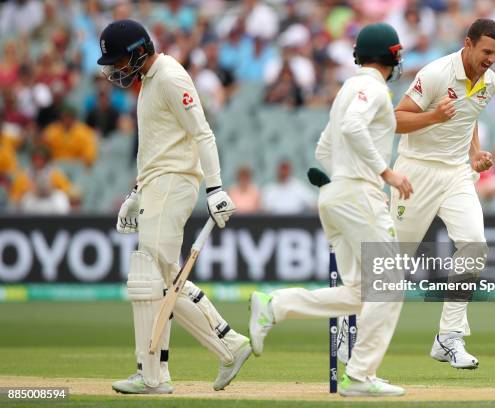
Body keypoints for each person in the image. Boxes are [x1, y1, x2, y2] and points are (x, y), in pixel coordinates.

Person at [249, 23, 413, 397]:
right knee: (388, 284)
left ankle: (275, 305)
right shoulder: (373, 88)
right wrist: (385, 171)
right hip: (359, 195)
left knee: (359, 292)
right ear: (391, 55)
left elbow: (325, 146)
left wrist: (338, 179)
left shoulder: (348, 88)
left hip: (336, 194)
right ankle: (360, 376)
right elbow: (354, 127)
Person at [96, 19, 250, 395]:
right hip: (157, 184)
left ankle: (168, 369)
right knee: (158, 279)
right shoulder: (149, 82)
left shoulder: (169, 77)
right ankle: (187, 360)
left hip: (174, 183)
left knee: (152, 278)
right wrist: (135, 192)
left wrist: (215, 188)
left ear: (138, 52)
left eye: (119, 61)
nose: (115, 69)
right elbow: (153, 148)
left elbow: (203, 132)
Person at [392, 18, 495, 370]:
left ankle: (449, 337)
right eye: (486, 51)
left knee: (474, 244)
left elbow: (467, 119)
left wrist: (475, 154)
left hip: (456, 173)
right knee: (392, 266)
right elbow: (396, 119)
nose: (491, 60)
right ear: (468, 43)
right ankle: (357, 334)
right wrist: (433, 117)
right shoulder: (437, 73)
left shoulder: (491, 82)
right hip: (416, 170)